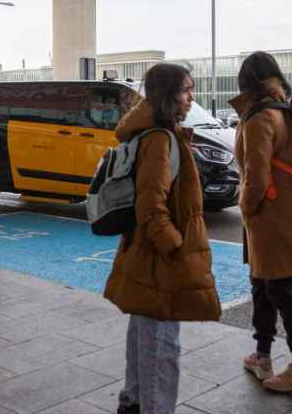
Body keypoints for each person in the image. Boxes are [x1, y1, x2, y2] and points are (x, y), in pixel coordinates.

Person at [104, 63, 221, 414]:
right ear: (167, 96)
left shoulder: (156, 132)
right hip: (160, 255)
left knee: (144, 328)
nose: (191, 97)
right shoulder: (158, 139)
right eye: (186, 90)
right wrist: (175, 246)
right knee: (161, 344)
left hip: (145, 251)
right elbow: (151, 204)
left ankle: (134, 399)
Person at [229, 52, 292, 393]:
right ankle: (262, 354)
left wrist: (246, 208)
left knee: (281, 289)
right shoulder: (285, 109)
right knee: (263, 284)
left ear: (247, 83)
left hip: (271, 215)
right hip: (287, 210)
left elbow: (256, 175)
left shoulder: (260, 118)